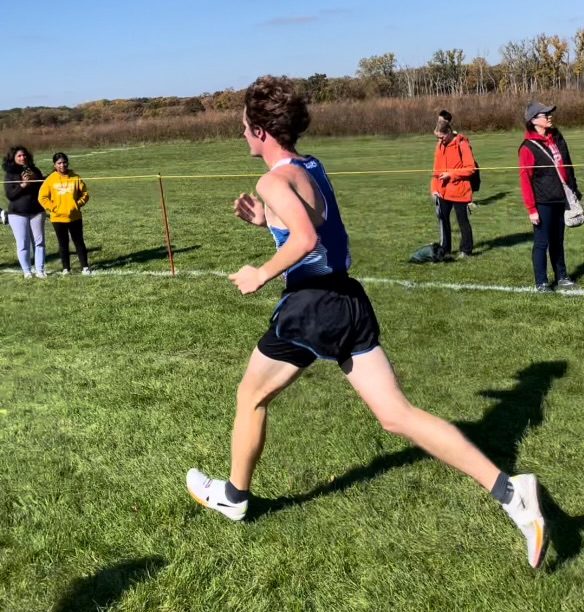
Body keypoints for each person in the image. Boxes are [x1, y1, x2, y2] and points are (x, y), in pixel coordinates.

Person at [186, 76, 548, 569]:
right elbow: (319, 226)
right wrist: (263, 222)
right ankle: (512, 493)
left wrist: (261, 273)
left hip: (311, 307)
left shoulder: (272, 179)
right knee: (397, 416)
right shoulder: (308, 165)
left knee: (250, 396)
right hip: (348, 300)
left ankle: (234, 496)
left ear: (262, 132)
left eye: (245, 127)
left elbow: (308, 238)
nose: (243, 135)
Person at [519, 102, 579, 293]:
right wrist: (532, 209)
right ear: (534, 121)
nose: (549, 116)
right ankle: (541, 282)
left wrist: (574, 192)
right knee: (541, 243)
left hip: (561, 199)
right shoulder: (527, 148)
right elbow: (525, 181)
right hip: (543, 202)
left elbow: (568, 167)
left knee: (558, 241)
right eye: (545, 114)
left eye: (549, 113)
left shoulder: (558, 138)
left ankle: (562, 276)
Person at [431, 111, 475, 259]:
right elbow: (436, 169)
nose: (440, 141)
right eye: (438, 138)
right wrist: (434, 189)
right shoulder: (439, 145)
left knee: (462, 220)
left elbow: (470, 168)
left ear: (449, 132)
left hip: (459, 190)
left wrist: (451, 174)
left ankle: (466, 250)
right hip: (443, 191)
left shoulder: (462, 144)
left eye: (442, 137)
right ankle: (446, 249)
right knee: (443, 219)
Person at [38, 152, 91, 275]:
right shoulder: (50, 179)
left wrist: (77, 204)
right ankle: (66, 268)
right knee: (63, 244)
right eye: (59, 163)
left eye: (64, 162)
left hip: (74, 217)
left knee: (78, 241)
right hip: (57, 218)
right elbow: (42, 197)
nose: (62, 165)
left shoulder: (75, 178)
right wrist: (53, 208)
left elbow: (85, 194)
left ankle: (85, 267)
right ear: (55, 165)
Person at [2, 146, 46, 278]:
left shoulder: (34, 170)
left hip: (36, 211)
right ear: (13, 158)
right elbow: (10, 195)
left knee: (39, 242)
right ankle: (27, 271)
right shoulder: (10, 174)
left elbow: (43, 188)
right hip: (17, 213)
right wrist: (23, 185)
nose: (23, 158)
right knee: (23, 243)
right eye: (19, 156)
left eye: (24, 155)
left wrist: (36, 180)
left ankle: (40, 270)